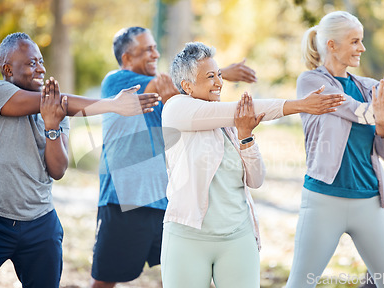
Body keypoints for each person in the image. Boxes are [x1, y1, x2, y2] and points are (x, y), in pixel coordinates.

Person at [0, 32, 160, 288]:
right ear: (8, 69)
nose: (41, 68)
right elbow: (53, 102)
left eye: (41, 61)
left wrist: (53, 126)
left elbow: (57, 170)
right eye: (31, 63)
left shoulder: (58, 111)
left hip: (41, 226)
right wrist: (111, 104)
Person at [160, 42, 345, 288]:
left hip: (237, 236)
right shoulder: (175, 109)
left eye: (219, 75)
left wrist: (246, 136)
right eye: (210, 76)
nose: (219, 82)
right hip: (187, 237)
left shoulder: (229, 124)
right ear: (187, 86)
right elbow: (243, 110)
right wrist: (298, 105)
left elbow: (256, 180)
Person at [91, 26, 264, 288]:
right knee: (106, 280)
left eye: (155, 47)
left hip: (166, 201)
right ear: (127, 58)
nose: (155, 53)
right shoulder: (116, 82)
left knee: (175, 275)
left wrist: (216, 76)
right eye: (147, 49)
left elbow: (188, 92)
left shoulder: (171, 97)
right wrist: (224, 72)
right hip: (125, 200)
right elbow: (169, 85)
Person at [286, 11, 384, 288]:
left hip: (370, 203)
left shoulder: (369, 87)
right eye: (355, 41)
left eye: (362, 41)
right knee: (300, 284)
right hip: (324, 200)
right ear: (331, 45)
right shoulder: (311, 83)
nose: (362, 48)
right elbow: (357, 112)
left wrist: (383, 125)